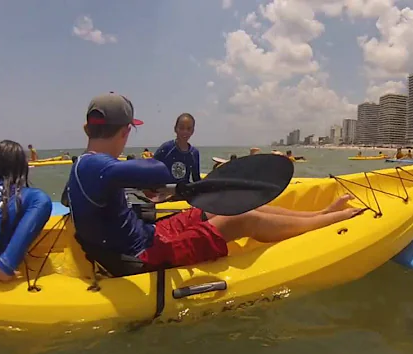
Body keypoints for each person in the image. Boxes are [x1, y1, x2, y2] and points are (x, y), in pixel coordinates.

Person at [65, 92, 361, 276]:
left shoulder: (81, 165)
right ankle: (332, 220)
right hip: (142, 255)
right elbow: (156, 169)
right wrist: (144, 181)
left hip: (148, 234)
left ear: (86, 128)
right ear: (126, 132)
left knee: (221, 206)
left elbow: (79, 201)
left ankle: (318, 215)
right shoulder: (99, 166)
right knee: (245, 217)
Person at [0, 140, 52, 282]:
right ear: (21, 167)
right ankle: (5, 264)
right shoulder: (31, 196)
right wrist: (6, 266)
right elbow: (42, 202)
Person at [153, 113, 201, 184]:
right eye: (181, 128)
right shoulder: (166, 148)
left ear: (192, 131)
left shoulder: (194, 153)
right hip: (165, 191)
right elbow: (152, 171)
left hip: (183, 192)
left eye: (188, 129)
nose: (185, 131)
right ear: (175, 129)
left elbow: (196, 179)